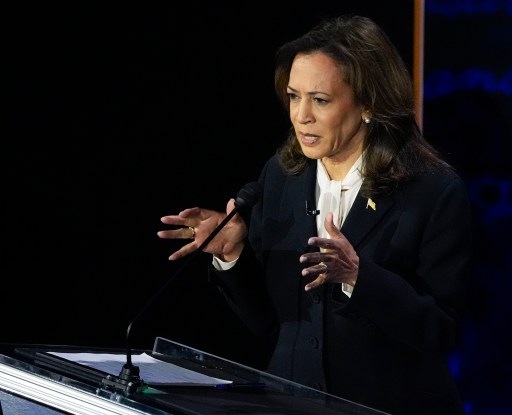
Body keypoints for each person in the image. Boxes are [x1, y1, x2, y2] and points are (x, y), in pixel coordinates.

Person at [157, 14, 472, 415]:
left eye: (319, 100)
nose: (300, 115)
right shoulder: (283, 176)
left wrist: (359, 278)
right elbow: (276, 328)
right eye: (293, 96)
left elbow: (443, 331)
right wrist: (234, 255)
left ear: (368, 104)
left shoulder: (431, 191)